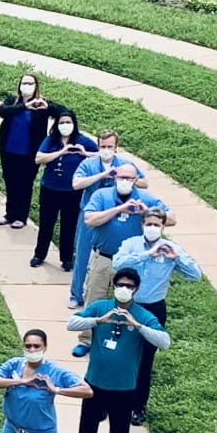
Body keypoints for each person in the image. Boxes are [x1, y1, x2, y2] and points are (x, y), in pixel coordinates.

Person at [59, 268, 170, 433]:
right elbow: (71, 323)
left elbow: (164, 341)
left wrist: (137, 326)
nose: (124, 289)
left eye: (129, 286)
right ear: (113, 285)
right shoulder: (101, 307)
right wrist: (99, 320)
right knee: (87, 426)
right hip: (95, 383)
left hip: (125, 386)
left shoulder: (142, 314)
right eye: (121, 284)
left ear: (136, 289)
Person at [112, 209, 199, 424]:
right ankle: (110, 402)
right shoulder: (131, 244)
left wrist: (177, 258)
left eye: (156, 225)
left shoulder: (172, 248)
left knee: (145, 360)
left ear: (162, 227)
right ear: (142, 224)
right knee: (117, 354)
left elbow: (195, 275)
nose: (152, 228)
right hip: (127, 305)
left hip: (154, 309)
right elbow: (117, 264)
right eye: (148, 223)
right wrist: (146, 255)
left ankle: (137, 406)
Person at [75, 166, 171, 356]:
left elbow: (171, 218)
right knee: (93, 298)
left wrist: (147, 213)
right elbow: (89, 219)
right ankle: (86, 340)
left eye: (129, 178)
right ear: (115, 177)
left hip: (132, 262)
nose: (125, 181)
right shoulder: (102, 195)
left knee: (129, 301)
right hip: (103, 258)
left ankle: (125, 340)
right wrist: (120, 208)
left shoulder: (147, 198)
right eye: (121, 177)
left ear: (136, 180)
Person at [68, 129, 149, 311]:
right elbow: (76, 183)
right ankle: (76, 294)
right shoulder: (89, 163)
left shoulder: (125, 164)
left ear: (116, 147)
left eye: (109, 146)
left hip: (118, 214)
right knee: (82, 254)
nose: (106, 149)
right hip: (92, 213)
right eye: (103, 146)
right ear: (98, 146)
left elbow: (144, 183)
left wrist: (126, 179)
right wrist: (103, 175)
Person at [0, 74, 64, 229]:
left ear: (36, 86)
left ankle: (21, 215)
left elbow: (64, 113)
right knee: (10, 181)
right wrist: (25, 106)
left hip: (30, 152)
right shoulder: (13, 100)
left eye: (30, 83)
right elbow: (3, 111)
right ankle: (10, 213)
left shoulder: (42, 103)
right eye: (24, 83)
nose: (27, 86)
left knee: (25, 183)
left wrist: (48, 107)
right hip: (8, 149)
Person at [30, 110, 96, 270]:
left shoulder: (82, 140)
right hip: (50, 189)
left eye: (68, 122)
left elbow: (101, 155)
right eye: (62, 122)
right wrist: (61, 151)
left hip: (72, 192)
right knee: (46, 223)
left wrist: (84, 153)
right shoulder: (51, 140)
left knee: (69, 225)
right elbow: (39, 158)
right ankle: (39, 254)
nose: (65, 126)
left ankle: (66, 258)